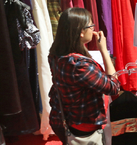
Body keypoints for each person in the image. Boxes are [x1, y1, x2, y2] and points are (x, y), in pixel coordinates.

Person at [48, 8, 120, 145]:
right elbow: (114, 87)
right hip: (83, 126)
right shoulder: (79, 66)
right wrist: (104, 50)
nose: (93, 29)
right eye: (91, 25)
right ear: (81, 32)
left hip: (62, 117)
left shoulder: (57, 54)